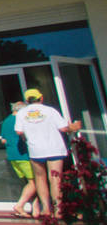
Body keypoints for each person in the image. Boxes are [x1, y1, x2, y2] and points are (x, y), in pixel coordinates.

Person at [14, 87, 82, 216]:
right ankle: (58, 209)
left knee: (40, 179)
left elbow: (18, 131)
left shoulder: (22, 113)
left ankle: (46, 208)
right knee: (55, 179)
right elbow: (64, 128)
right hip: (54, 148)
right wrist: (74, 127)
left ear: (27, 101)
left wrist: (28, 135)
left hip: (35, 150)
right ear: (41, 98)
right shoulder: (50, 111)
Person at [1, 101, 39, 218]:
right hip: (23, 155)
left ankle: (36, 210)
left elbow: (3, 140)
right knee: (35, 183)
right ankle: (20, 205)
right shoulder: (20, 119)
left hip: (12, 156)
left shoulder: (6, 121)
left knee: (30, 183)